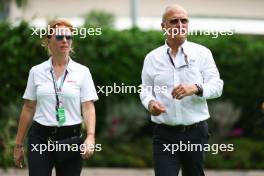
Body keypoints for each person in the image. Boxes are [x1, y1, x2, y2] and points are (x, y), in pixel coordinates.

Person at [140, 4, 223, 176]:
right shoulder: (152, 57)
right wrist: (150, 103)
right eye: (174, 21)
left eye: (184, 20)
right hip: (164, 133)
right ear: (163, 26)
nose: (180, 25)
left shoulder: (202, 53)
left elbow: (217, 86)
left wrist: (196, 88)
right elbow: (145, 89)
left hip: (195, 132)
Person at [13, 19, 98, 176]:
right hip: (40, 137)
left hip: (71, 138)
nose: (65, 41)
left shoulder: (82, 72)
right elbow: (28, 108)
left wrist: (90, 137)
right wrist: (18, 144)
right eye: (59, 37)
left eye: (69, 37)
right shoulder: (36, 71)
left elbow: (88, 107)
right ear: (48, 41)